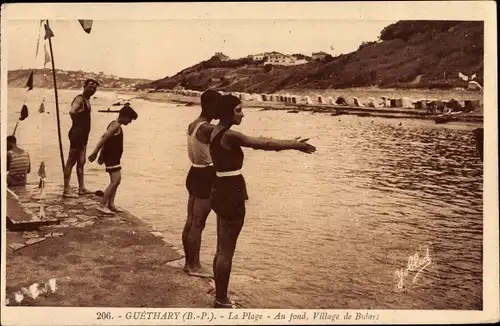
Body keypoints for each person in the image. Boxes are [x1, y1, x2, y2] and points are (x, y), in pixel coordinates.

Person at [209, 94, 316, 308]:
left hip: (219, 189)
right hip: (232, 192)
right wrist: (294, 145)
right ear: (228, 112)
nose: (242, 114)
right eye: (239, 110)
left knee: (221, 248)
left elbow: (261, 141)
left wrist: (288, 143)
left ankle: (220, 293)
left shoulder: (213, 131)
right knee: (227, 250)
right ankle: (221, 299)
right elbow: (263, 143)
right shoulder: (230, 135)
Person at [183, 89, 222, 278]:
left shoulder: (193, 124)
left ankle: (188, 263)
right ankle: (194, 266)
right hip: (205, 174)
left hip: (194, 171)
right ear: (210, 106)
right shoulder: (207, 128)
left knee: (191, 221)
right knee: (198, 223)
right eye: (218, 106)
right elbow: (233, 138)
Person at [88, 105, 138, 215]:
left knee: (116, 181)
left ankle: (111, 204)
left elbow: (107, 141)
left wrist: (101, 154)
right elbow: (104, 137)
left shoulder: (115, 125)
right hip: (112, 157)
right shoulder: (115, 125)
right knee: (115, 181)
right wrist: (95, 152)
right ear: (125, 116)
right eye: (130, 119)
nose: (130, 122)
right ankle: (102, 205)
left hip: (113, 157)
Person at [62, 79, 99, 198]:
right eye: (90, 87)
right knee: (71, 161)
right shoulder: (79, 99)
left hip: (83, 135)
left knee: (81, 162)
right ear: (84, 86)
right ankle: (66, 190)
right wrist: (78, 116)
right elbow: (72, 111)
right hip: (77, 134)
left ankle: (81, 188)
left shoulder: (87, 100)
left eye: (94, 88)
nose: (92, 89)